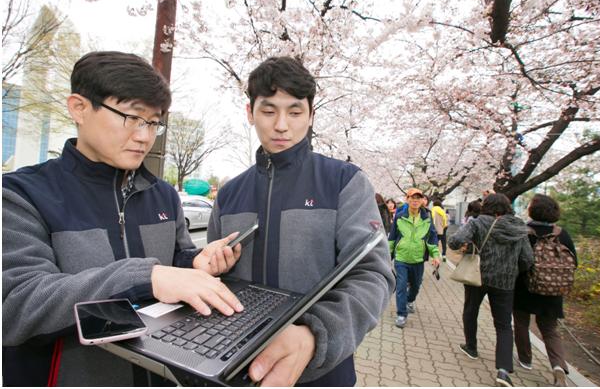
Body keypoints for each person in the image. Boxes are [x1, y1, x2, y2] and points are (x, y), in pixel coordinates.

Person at [2, 51, 245, 386]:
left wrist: (198, 263)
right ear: (79, 108)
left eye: (153, 123)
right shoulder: (20, 194)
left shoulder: (162, 194)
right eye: (132, 117)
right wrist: (145, 277)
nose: (144, 136)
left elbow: (175, 260)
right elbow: (16, 305)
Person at [206, 56, 395, 386]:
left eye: (294, 112)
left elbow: (373, 275)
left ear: (310, 115)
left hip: (321, 369)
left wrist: (315, 334)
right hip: (235, 367)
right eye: (268, 111)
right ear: (250, 113)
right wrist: (210, 269)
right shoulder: (229, 193)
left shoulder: (343, 182)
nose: (281, 125)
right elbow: (211, 280)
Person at [448, 193, 534, 387]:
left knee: (471, 310)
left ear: (486, 206)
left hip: (477, 276)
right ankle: (503, 370)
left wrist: (470, 245)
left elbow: (454, 241)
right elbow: (527, 259)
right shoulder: (519, 226)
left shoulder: (478, 223)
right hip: (505, 282)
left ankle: (471, 347)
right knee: (503, 324)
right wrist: (512, 269)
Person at [513, 194, 577, 387]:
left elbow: (519, 261)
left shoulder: (524, 231)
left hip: (525, 287)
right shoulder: (561, 233)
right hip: (553, 290)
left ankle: (525, 359)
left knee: (521, 323)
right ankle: (558, 367)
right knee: (550, 329)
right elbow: (575, 262)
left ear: (532, 210)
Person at [388, 188, 441, 329]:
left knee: (416, 286)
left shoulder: (427, 219)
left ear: (422, 201)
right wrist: (388, 256)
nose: (415, 200)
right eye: (413, 198)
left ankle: (410, 300)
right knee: (401, 285)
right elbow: (392, 238)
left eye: (418, 198)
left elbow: (432, 239)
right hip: (401, 258)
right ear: (407, 199)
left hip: (418, 260)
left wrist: (435, 255)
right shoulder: (399, 216)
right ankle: (401, 314)